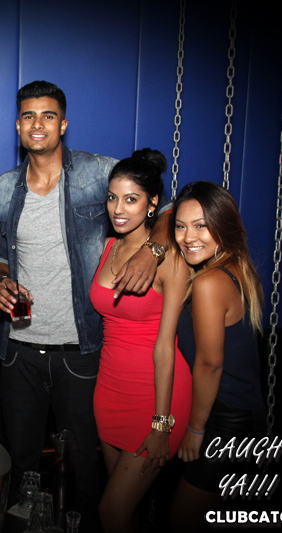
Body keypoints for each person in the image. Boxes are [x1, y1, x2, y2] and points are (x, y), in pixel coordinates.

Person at [0, 81, 167, 519]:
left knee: (85, 465)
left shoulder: (99, 173)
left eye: (48, 115)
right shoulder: (2, 189)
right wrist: (2, 280)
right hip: (20, 352)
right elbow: (1, 256)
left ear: (63, 124)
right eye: (29, 115)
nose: (38, 124)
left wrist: (153, 249)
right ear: (18, 125)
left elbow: (167, 208)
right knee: (22, 465)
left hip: (81, 351)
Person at [89, 149, 192, 532]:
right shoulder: (108, 247)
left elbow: (166, 347)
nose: (118, 209)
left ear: (152, 204)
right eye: (112, 198)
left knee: (111, 513)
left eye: (131, 199)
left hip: (154, 397)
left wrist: (162, 424)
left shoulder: (169, 259)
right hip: (109, 391)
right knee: (124, 515)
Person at [168, 181, 266, 531]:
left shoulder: (209, 282)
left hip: (224, 423)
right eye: (181, 226)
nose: (188, 237)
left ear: (222, 225)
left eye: (201, 226)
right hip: (243, 415)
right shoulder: (238, 269)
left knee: (182, 522)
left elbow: (210, 365)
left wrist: (196, 429)